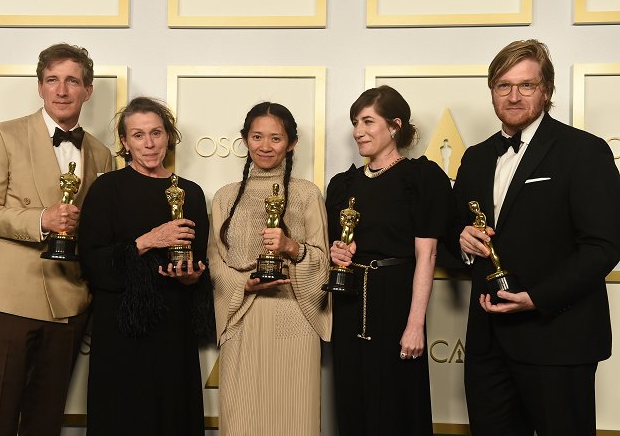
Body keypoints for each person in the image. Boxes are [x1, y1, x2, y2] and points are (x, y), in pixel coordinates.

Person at [453, 39, 620, 436]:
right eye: (503, 85)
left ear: (546, 90)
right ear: (491, 90)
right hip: (488, 345)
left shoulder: (584, 151)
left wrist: (538, 298)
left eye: (526, 85)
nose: (513, 96)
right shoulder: (475, 157)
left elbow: (604, 245)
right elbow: (453, 232)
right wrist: (461, 242)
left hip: (558, 339)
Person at [0, 43, 112, 436]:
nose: (62, 90)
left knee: (45, 426)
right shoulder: (2, 135)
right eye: (52, 80)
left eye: (72, 81)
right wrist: (41, 219)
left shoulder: (101, 153)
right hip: (8, 302)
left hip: (68, 305)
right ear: (40, 87)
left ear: (88, 90)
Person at [77, 97, 213, 435]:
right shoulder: (106, 189)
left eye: (156, 133)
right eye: (138, 135)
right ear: (124, 142)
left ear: (169, 136)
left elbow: (197, 264)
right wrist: (150, 240)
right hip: (120, 329)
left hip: (174, 325)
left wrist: (191, 277)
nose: (149, 143)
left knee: (172, 414)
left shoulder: (191, 193)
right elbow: (92, 263)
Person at [327, 85, 453, 436]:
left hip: (396, 301)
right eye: (355, 122)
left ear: (395, 126)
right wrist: (337, 253)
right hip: (350, 300)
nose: (357, 131)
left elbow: (426, 254)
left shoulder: (420, 178)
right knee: (352, 399)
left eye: (368, 121)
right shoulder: (342, 184)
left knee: (398, 402)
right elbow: (334, 246)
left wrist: (415, 325)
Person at [208, 102, 331, 435]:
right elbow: (216, 262)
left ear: (290, 143)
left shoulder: (307, 194)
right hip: (243, 319)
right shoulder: (224, 197)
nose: (265, 146)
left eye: (275, 138)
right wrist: (243, 285)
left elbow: (323, 263)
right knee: (241, 418)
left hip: (295, 319)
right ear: (245, 140)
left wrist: (292, 247)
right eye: (257, 136)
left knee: (293, 418)